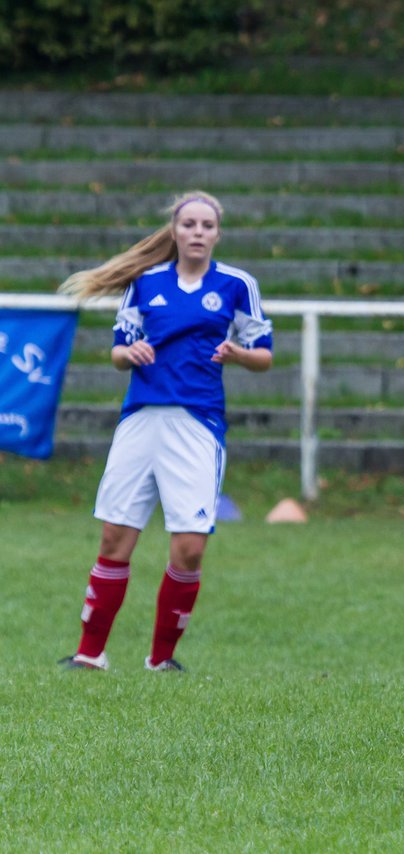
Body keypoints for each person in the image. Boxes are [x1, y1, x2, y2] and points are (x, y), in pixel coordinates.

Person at [57, 191, 274, 672]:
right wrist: (127, 354)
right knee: (115, 538)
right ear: (174, 232)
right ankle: (90, 654)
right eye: (189, 224)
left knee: (190, 547)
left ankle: (161, 659)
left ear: (218, 234)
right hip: (140, 420)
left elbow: (264, 355)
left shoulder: (238, 285)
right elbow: (118, 349)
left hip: (197, 424)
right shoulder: (146, 283)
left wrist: (238, 354)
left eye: (207, 226)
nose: (198, 233)